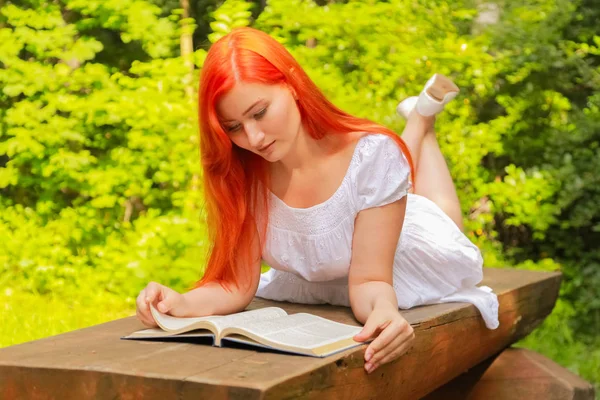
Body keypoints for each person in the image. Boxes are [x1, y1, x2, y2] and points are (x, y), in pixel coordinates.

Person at [135, 27, 499, 374]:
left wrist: (386, 311)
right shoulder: (244, 172)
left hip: (406, 251)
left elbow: (370, 280)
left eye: (259, 112)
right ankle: (419, 121)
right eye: (233, 127)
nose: (254, 137)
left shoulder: (370, 155)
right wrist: (177, 303)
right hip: (326, 268)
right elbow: (236, 285)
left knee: (444, 219)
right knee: (396, 170)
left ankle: (421, 121)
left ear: (292, 83)